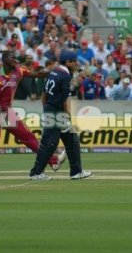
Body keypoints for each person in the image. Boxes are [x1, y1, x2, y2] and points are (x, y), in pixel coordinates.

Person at [0, 51, 64, 178]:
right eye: (12, 57)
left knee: (29, 137)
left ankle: (53, 161)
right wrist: (2, 117)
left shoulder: (18, 71)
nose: (16, 59)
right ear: (5, 60)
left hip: (7, 111)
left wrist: (57, 73)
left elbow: (37, 73)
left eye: (16, 57)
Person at [29, 51, 91, 180]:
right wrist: (67, 115)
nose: (75, 63)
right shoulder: (65, 76)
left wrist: (46, 109)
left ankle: (76, 172)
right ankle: (36, 173)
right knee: (50, 143)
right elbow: (65, 100)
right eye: (73, 61)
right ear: (67, 62)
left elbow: (44, 94)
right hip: (57, 112)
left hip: (51, 109)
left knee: (72, 140)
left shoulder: (54, 71)